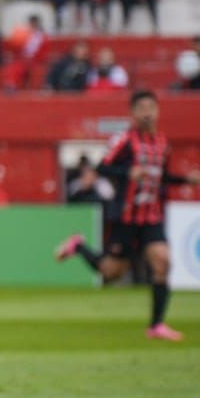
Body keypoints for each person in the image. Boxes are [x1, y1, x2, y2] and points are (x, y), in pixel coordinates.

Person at [55, 91, 200, 341]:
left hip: (151, 217)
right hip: (126, 217)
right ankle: (78, 246)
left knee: (162, 261)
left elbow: (162, 177)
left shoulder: (163, 143)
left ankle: (156, 325)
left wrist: (186, 179)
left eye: (151, 107)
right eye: (141, 108)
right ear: (132, 113)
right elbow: (102, 167)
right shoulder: (124, 141)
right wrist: (126, 172)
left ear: (157, 111)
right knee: (111, 272)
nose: (147, 113)